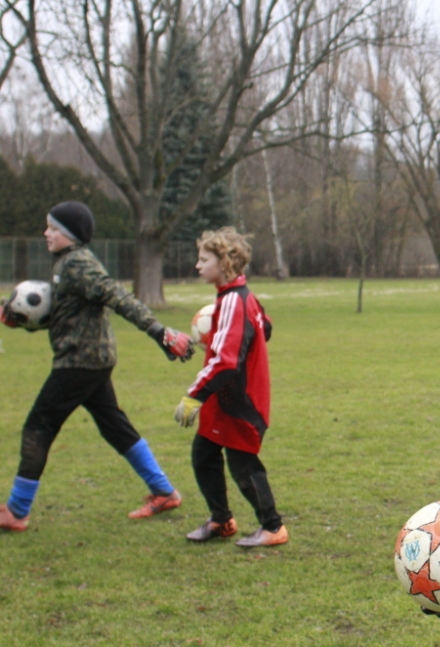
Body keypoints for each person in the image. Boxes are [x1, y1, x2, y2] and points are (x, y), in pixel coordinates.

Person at [0, 201, 195, 532]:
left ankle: (17, 511)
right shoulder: (68, 263)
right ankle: (164, 491)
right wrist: (19, 317)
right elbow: (66, 313)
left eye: (53, 228)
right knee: (114, 426)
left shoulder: (78, 263)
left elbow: (118, 296)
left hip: (81, 361)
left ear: (71, 234)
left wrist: (159, 332)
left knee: (38, 427)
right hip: (92, 360)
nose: (46, 233)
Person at [176, 227, 286, 548]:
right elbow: (265, 327)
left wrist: (193, 396)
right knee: (204, 454)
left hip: (240, 402)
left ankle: (273, 527)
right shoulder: (238, 297)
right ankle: (221, 520)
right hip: (225, 400)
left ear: (224, 262)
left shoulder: (234, 301)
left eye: (204, 259)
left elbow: (225, 362)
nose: (198, 265)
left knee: (244, 466)